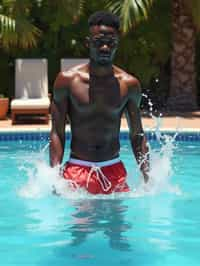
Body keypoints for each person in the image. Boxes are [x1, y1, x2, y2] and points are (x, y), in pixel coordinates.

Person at [49, 11, 149, 194]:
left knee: (118, 223)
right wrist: (54, 175)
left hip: (114, 171)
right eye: (98, 42)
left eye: (110, 43)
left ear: (117, 44)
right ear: (88, 43)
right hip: (77, 170)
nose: (104, 48)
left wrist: (148, 177)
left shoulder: (129, 85)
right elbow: (57, 131)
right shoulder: (67, 81)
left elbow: (137, 135)